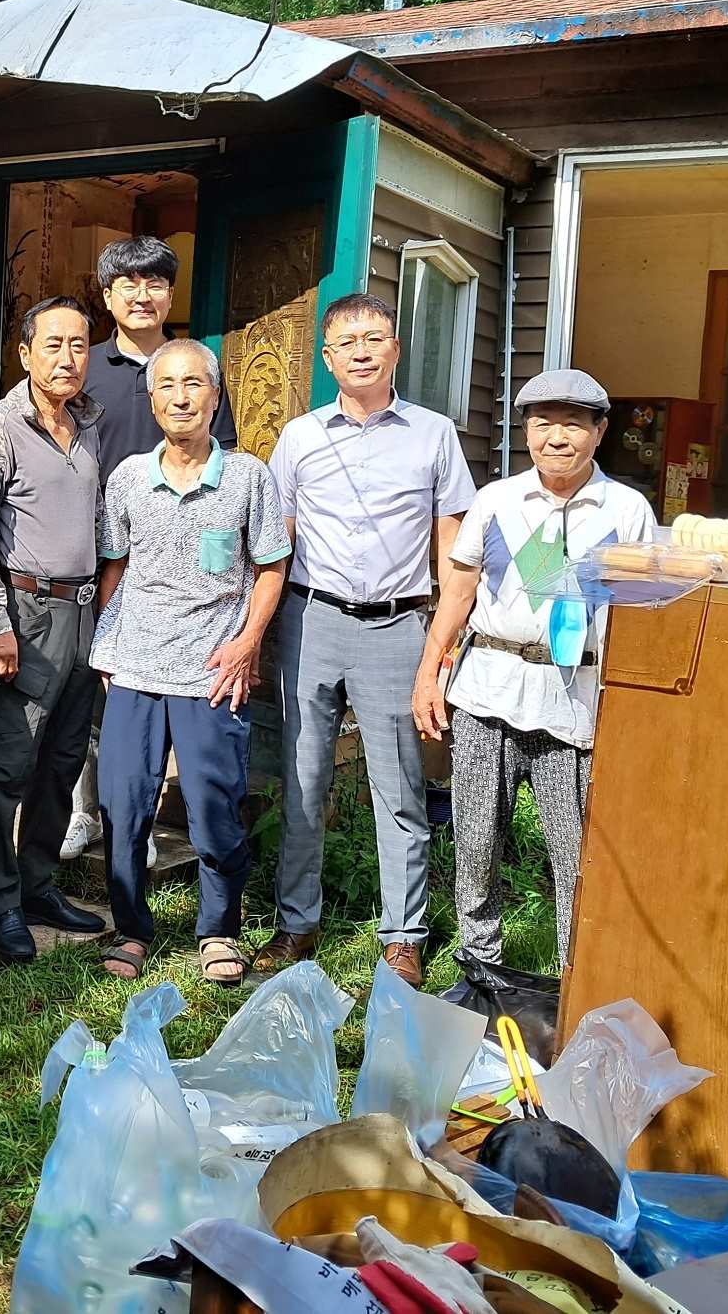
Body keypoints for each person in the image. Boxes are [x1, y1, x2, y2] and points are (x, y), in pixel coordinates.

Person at [259, 292, 476, 988]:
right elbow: (277, 541)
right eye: (345, 341)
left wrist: (442, 644)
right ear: (326, 357)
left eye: (374, 338)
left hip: (396, 624)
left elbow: (453, 549)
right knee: (304, 776)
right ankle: (297, 922)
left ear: (395, 349)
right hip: (309, 620)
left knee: (400, 785)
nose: (360, 350)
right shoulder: (298, 437)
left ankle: (403, 935)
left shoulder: (434, 433)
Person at [412, 370, 653, 969]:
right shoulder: (497, 500)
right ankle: (479, 962)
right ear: (526, 431)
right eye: (542, 423)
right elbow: (458, 591)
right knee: (475, 838)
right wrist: (428, 673)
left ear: (600, 432)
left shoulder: (627, 510)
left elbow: (643, 618)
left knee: (575, 848)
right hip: (488, 686)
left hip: (572, 698)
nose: (556, 437)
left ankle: (579, 971)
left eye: (573, 423)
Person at [90, 339, 290, 985]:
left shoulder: (248, 477)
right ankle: (131, 928)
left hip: (212, 668)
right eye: (167, 385)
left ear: (215, 394)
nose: (180, 396)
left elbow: (270, 564)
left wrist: (248, 639)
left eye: (194, 384)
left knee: (214, 803)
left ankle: (218, 929)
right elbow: (114, 566)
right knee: (124, 802)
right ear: (152, 399)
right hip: (136, 667)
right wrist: (107, 644)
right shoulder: (127, 478)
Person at [58, 236, 239, 862]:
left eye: (155, 283)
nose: (142, 295)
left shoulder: (195, 369)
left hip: (177, 561)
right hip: (95, 546)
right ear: (107, 297)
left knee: (156, 694)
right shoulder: (86, 370)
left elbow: (226, 463)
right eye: (127, 285)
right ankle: (84, 810)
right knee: (91, 679)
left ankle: (141, 820)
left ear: (171, 293)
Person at [0, 296, 109, 963]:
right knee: (8, 766)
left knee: (61, 763)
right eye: (54, 344)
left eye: (79, 344)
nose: (69, 357)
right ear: (24, 353)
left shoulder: (89, 424)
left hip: (82, 614)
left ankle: (38, 885)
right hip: (23, 614)